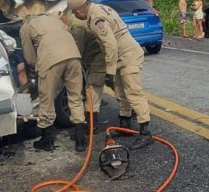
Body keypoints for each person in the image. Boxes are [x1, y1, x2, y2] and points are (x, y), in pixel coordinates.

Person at [68, 0, 154, 149]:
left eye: (75, 12)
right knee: (121, 92)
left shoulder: (96, 19)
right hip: (121, 57)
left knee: (133, 93)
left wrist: (109, 72)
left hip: (128, 56)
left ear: (81, 9)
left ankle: (145, 132)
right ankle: (125, 123)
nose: (75, 15)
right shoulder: (100, 8)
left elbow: (111, 46)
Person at [20, 13, 88, 152]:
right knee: (75, 97)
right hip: (73, 56)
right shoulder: (54, 20)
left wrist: (36, 68)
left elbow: (29, 56)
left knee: (46, 99)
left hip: (50, 59)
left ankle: (47, 140)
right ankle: (81, 139)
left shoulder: (26, 26)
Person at [67, 13, 106, 131]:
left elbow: (77, 52)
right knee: (116, 86)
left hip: (98, 59)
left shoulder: (77, 27)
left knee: (93, 89)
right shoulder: (79, 20)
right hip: (96, 57)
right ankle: (129, 113)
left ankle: (91, 125)